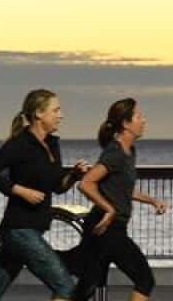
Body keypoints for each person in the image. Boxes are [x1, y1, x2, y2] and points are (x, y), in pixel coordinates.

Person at [0, 89, 89, 301]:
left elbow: (57, 186)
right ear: (39, 113)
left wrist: (73, 175)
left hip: (32, 228)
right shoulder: (20, 144)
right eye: (55, 110)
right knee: (65, 287)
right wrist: (21, 190)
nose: (61, 115)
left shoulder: (52, 145)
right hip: (20, 229)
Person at [67, 98, 167, 301]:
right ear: (126, 124)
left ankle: (28, 254)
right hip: (106, 228)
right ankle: (27, 252)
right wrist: (109, 209)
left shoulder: (129, 152)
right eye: (139, 116)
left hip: (109, 227)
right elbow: (86, 183)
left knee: (85, 288)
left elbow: (123, 189)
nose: (144, 120)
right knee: (145, 280)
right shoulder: (115, 152)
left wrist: (152, 200)